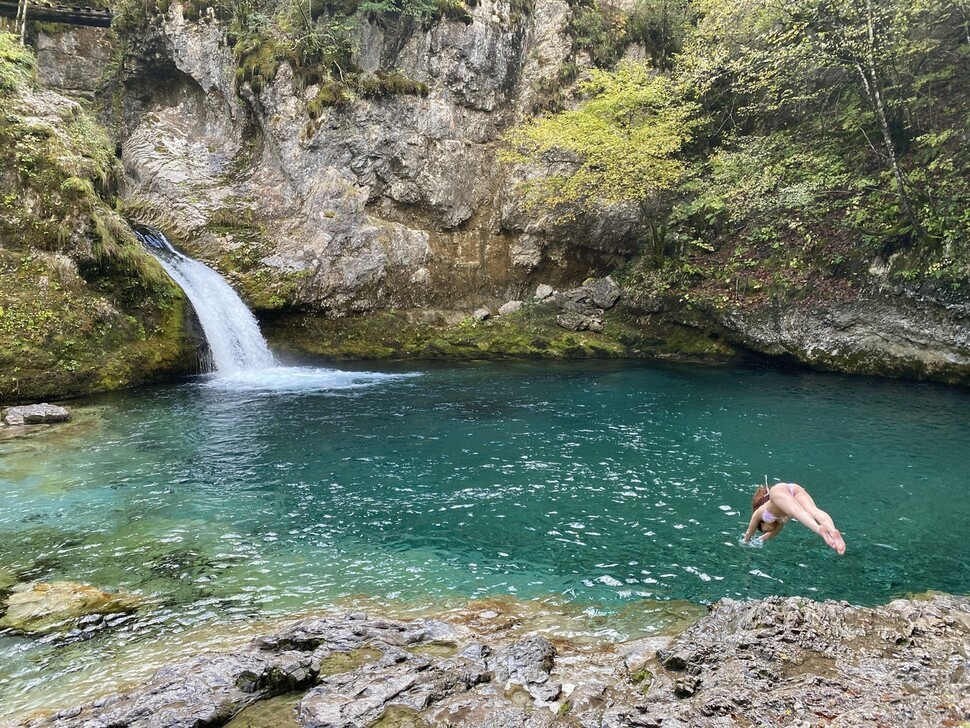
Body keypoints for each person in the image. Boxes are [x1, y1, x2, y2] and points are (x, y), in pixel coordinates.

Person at [742, 481, 846, 554]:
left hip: (778, 490)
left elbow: (749, 532)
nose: (767, 530)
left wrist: (745, 542)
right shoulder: (779, 522)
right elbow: (772, 534)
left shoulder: (759, 514)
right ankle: (832, 531)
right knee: (813, 510)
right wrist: (758, 540)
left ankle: (819, 530)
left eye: (763, 530)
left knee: (797, 512)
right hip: (793, 488)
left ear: (761, 523)